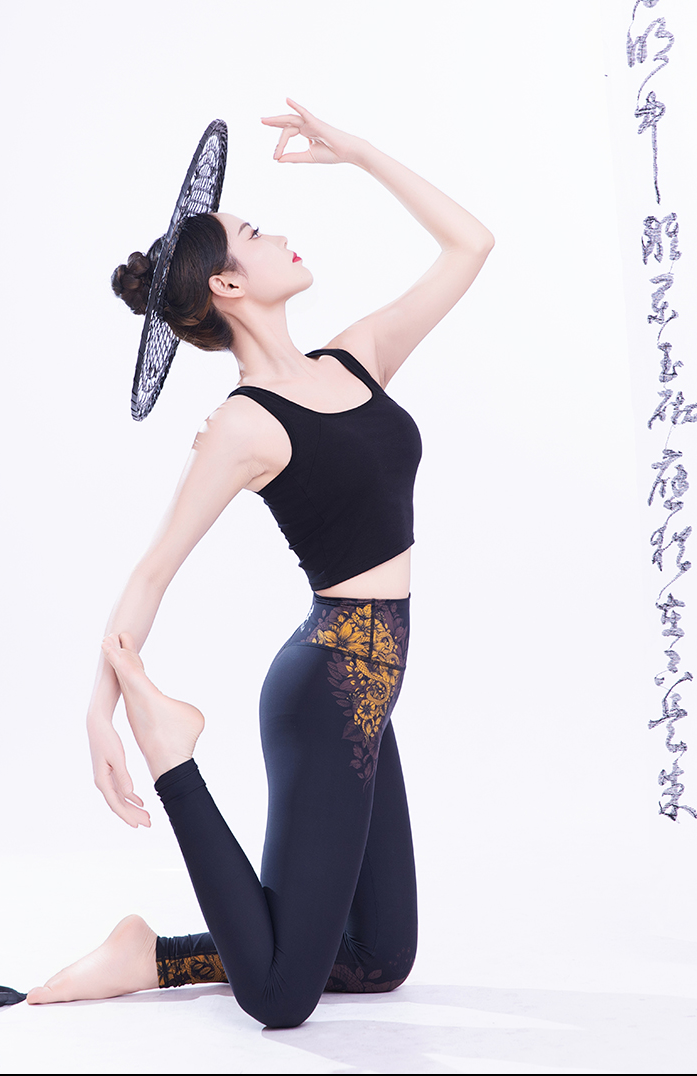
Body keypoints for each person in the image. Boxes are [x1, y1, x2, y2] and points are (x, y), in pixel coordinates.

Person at [27, 100, 493, 1028]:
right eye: (253, 233)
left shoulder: (354, 359)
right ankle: (175, 756)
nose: (278, 236)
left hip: (374, 682)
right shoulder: (243, 423)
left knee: (377, 959)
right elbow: (154, 569)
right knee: (280, 998)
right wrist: (101, 710)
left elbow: (470, 245)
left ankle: (149, 956)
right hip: (328, 688)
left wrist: (359, 151)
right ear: (229, 285)